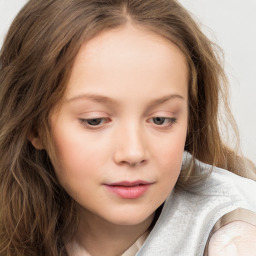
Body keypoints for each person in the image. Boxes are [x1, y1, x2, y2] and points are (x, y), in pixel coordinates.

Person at [0, 0, 255, 255]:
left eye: (161, 119)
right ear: (34, 126)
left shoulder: (236, 237)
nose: (133, 153)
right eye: (95, 120)